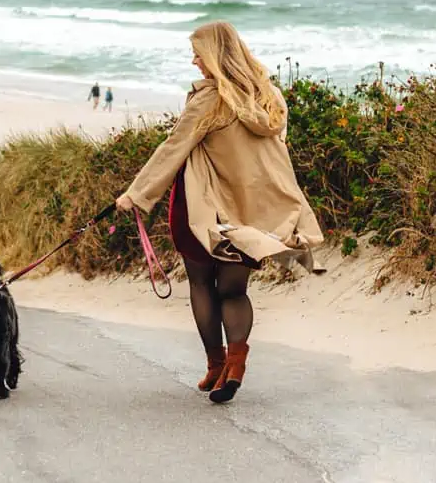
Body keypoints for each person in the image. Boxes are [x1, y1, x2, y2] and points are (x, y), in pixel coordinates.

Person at [115, 21, 323, 403]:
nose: (194, 61)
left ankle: (215, 364)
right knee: (234, 289)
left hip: (203, 208)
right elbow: (275, 153)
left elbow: (173, 147)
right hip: (250, 213)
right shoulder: (269, 96)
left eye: (198, 53)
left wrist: (137, 194)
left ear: (214, 54)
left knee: (201, 285)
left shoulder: (210, 99)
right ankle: (236, 365)